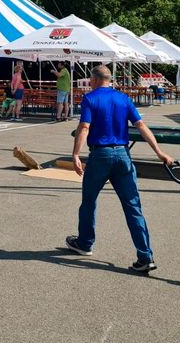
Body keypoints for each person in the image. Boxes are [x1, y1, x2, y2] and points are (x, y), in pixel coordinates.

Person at [67, 65, 174, 272]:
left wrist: (75, 154)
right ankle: (145, 256)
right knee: (133, 206)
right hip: (123, 155)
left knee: (89, 201)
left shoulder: (90, 99)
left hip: (100, 155)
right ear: (109, 79)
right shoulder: (123, 98)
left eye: (90, 79)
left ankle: (85, 242)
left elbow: (84, 128)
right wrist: (159, 152)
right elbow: (141, 126)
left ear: (95, 79)